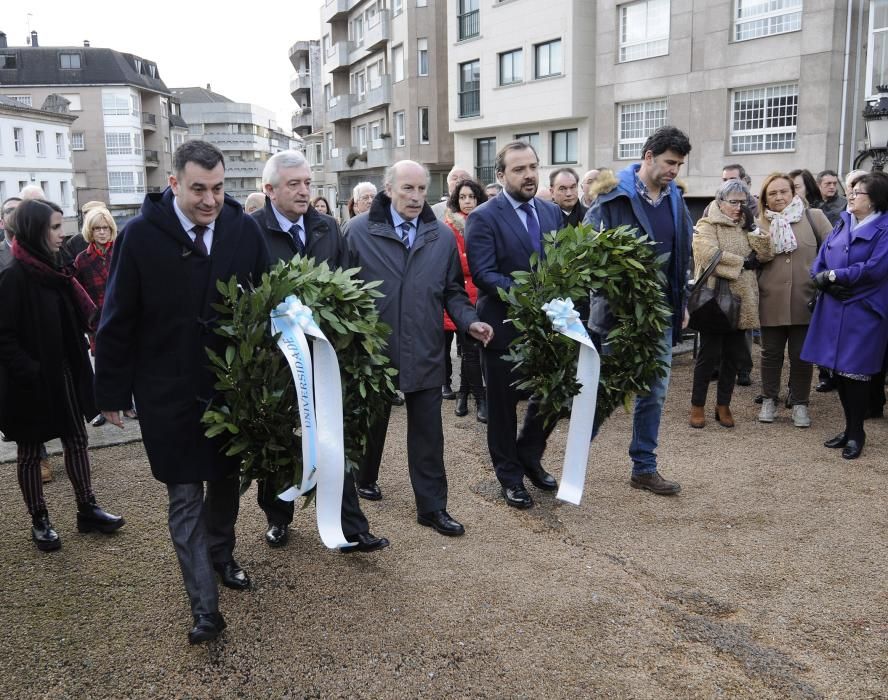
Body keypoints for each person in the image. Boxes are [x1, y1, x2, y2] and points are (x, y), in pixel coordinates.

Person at [95, 141, 269, 645]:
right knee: (185, 492)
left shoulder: (241, 228)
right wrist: (110, 388)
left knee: (225, 479)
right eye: (198, 189)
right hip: (166, 391)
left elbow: (267, 301)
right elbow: (118, 317)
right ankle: (205, 608)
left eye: (218, 189)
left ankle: (222, 554)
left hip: (229, 387)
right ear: (174, 184)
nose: (210, 200)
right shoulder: (141, 235)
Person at [345, 160, 493, 536]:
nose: (415, 197)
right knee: (370, 422)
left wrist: (468, 320)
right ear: (388, 188)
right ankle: (363, 479)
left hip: (425, 347)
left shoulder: (440, 236)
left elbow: (452, 292)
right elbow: (339, 291)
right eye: (407, 189)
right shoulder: (357, 232)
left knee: (428, 433)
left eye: (421, 190)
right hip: (373, 350)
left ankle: (432, 508)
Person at [250, 150, 388, 552]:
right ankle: (278, 518)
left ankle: (350, 525)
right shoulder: (251, 230)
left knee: (333, 435)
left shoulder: (327, 227)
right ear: (270, 189)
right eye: (294, 184)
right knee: (280, 439)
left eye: (308, 183)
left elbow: (349, 282)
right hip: (276, 359)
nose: (304, 191)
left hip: (327, 354)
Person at [0, 199, 125, 552]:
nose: (62, 233)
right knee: (30, 451)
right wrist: (32, 371)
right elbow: (4, 336)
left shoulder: (55, 268)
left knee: (77, 441)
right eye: (55, 227)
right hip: (30, 383)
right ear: (35, 230)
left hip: (66, 372)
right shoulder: (13, 275)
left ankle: (87, 509)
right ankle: (40, 519)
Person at [584, 126, 693, 496]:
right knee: (609, 390)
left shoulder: (675, 198)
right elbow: (587, 253)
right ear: (648, 156)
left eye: (678, 164)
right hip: (619, 316)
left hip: (661, 314)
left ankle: (644, 468)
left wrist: (682, 304)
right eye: (668, 162)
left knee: (655, 392)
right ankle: (575, 463)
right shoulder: (613, 195)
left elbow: (683, 255)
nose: (674, 170)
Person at [466, 141, 564, 509]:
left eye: (533, 167)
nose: (529, 175)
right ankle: (509, 476)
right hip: (503, 327)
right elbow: (483, 273)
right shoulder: (484, 216)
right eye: (520, 169)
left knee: (555, 395)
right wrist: (532, 293)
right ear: (501, 175)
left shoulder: (552, 212)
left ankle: (529, 455)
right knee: (504, 408)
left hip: (549, 328)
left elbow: (559, 264)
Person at [801, 171, 888, 458]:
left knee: (857, 373)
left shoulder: (885, 228)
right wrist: (821, 278)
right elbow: (821, 257)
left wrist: (835, 276)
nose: (850, 195)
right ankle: (850, 428)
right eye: (851, 191)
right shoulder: (844, 221)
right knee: (838, 371)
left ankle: (857, 432)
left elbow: (875, 270)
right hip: (835, 305)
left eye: (858, 192)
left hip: (863, 309)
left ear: (875, 199)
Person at [753, 173, 832, 427]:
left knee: (801, 355)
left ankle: (799, 403)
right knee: (770, 354)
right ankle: (769, 399)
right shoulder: (759, 224)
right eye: (772, 193)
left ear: (793, 193)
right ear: (765, 198)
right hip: (770, 298)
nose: (778, 197)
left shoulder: (814, 217)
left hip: (805, 298)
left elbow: (833, 249)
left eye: (783, 191)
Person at [689, 179, 765, 428]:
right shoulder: (707, 224)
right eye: (733, 202)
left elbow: (766, 253)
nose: (738, 207)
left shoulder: (746, 225)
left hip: (743, 302)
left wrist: (755, 230)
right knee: (708, 356)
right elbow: (706, 253)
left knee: (732, 357)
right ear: (720, 201)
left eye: (743, 202)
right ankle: (697, 405)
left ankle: (723, 405)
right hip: (715, 302)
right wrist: (742, 262)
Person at [443, 178, 487, 423]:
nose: (467, 201)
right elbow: (457, 264)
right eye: (463, 197)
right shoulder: (450, 226)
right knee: (469, 350)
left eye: (471, 196)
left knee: (473, 350)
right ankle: (480, 398)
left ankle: (463, 393)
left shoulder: (485, 221)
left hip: (482, 294)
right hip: (459, 295)